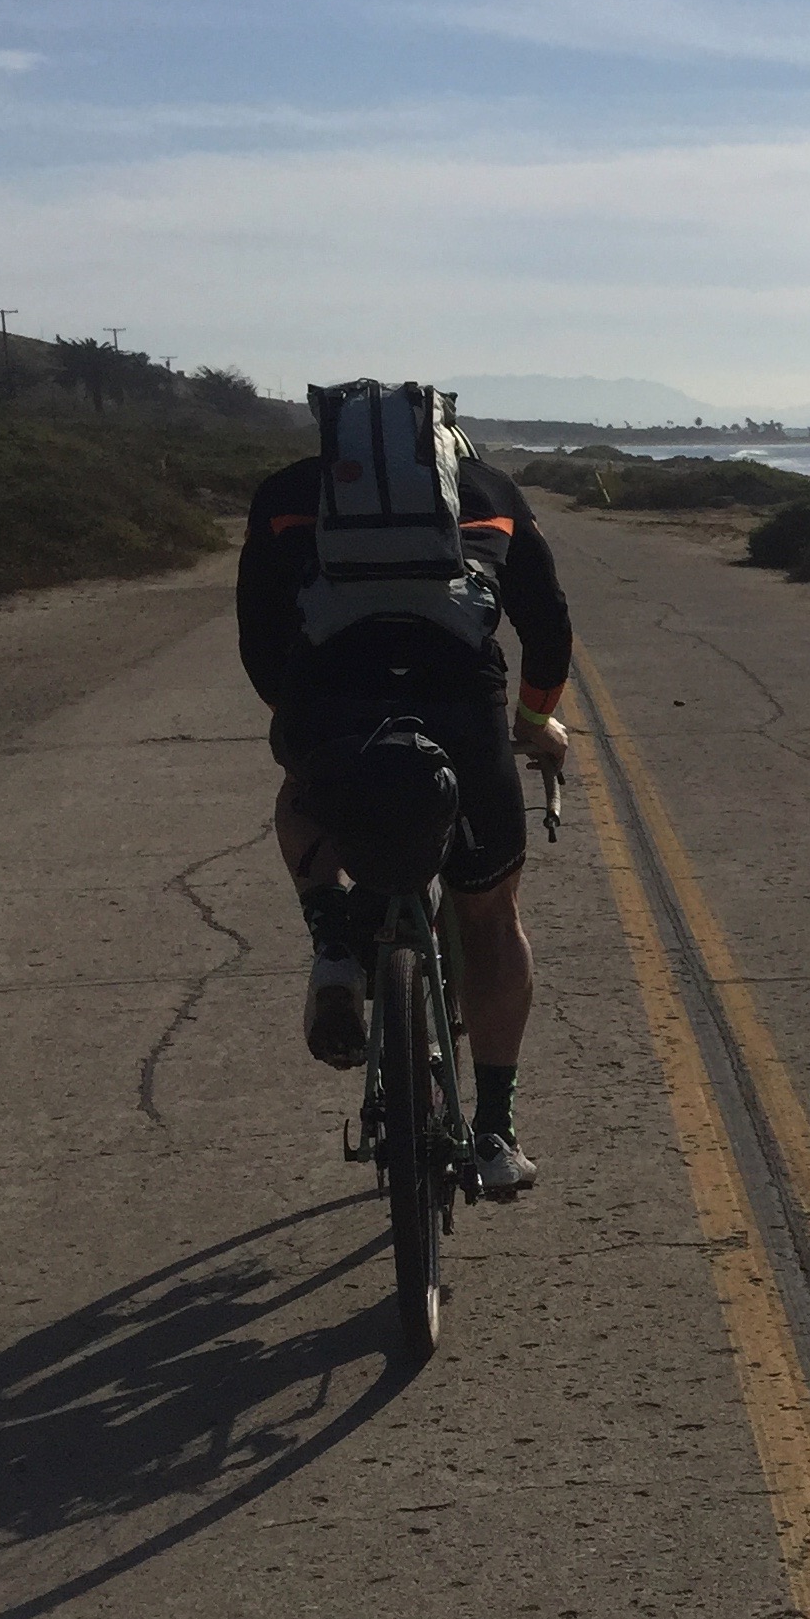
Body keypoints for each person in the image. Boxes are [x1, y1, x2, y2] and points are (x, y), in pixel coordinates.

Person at [237, 387, 571, 1196]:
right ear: (442, 441)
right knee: (491, 924)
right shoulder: (492, 493)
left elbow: (258, 635)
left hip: (332, 705)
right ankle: (493, 1131)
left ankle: (332, 940)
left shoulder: (286, 495)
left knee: (302, 791)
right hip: (460, 711)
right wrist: (532, 721)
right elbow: (549, 626)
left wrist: (302, 722)